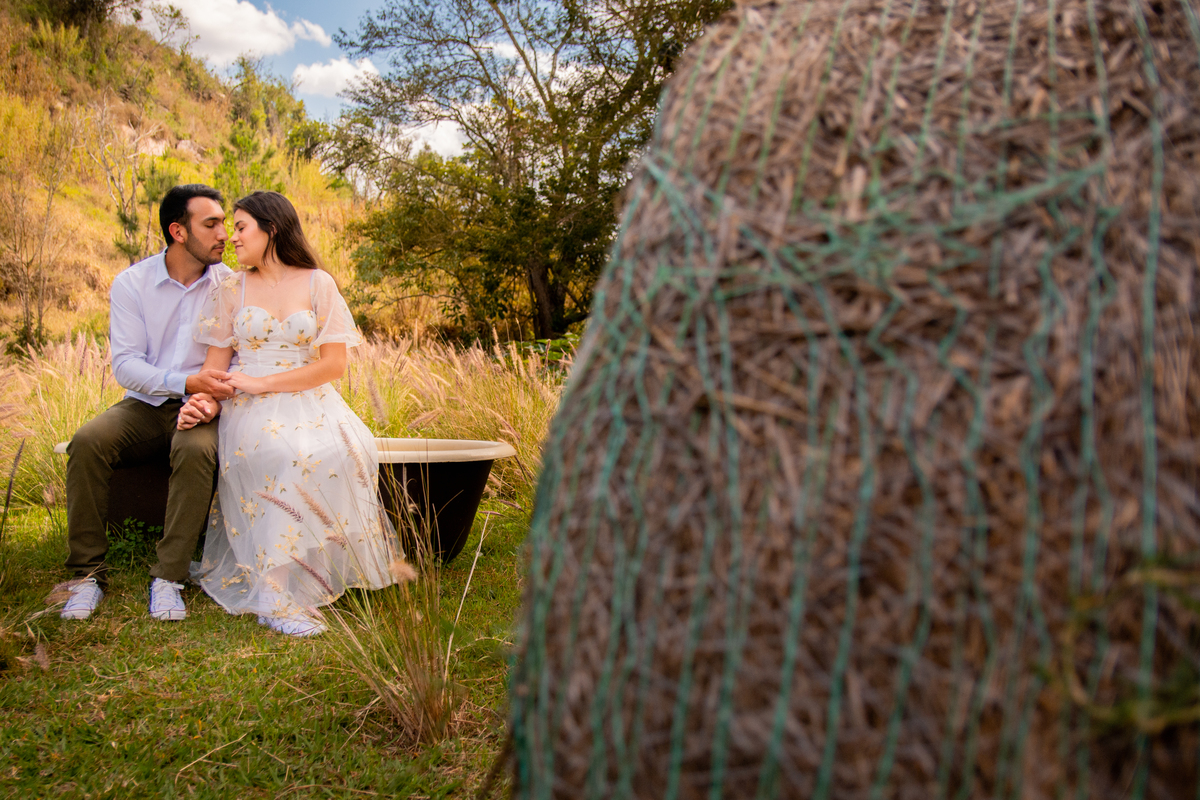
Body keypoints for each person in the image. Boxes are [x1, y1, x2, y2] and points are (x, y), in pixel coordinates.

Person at [177, 190, 398, 637]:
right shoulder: (230, 289)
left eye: (241, 228)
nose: (232, 238)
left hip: (311, 397)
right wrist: (202, 403)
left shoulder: (319, 283)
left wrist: (263, 382)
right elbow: (214, 370)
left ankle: (312, 572)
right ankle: (275, 596)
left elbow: (334, 364)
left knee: (348, 447)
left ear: (271, 228)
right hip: (250, 406)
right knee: (284, 453)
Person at [62, 184, 235, 622]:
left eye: (224, 223)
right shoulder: (132, 283)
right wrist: (184, 379)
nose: (224, 234)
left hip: (200, 408)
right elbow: (126, 366)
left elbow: (235, 362)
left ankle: (169, 577)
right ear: (178, 230)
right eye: (210, 224)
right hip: (144, 403)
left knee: (196, 451)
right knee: (86, 442)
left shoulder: (231, 286)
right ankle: (86, 576)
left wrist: (202, 396)